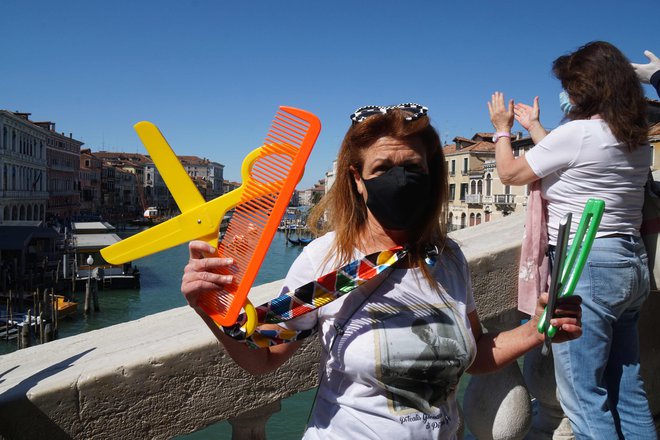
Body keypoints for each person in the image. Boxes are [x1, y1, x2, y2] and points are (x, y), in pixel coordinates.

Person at [182, 103, 582, 439]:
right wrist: (212, 308)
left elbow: (474, 352)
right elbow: (263, 360)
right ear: (357, 180)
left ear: (431, 176)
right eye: (382, 168)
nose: (400, 179)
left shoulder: (448, 258)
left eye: (413, 167)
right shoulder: (324, 261)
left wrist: (538, 328)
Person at [488, 41, 656, 439]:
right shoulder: (635, 137)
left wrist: (502, 130)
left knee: (583, 398)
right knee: (627, 388)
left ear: (586, 88)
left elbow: (512, 173)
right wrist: (534, 129)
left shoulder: (579, 134)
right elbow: (569, 161)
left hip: (586, 265)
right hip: (630, 261)